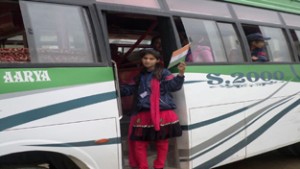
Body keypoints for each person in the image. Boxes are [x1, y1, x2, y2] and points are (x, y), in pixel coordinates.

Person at [121, 49, 185, 169]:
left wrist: (180, 74)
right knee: (139, 143)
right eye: (145, 58)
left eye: (151, 59)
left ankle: (159, 166)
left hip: (161, 113)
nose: (147, 61)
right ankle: (143, 166)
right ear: (142, 60)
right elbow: (131, 89)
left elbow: (174, 86)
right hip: (143, 113)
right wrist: (116, 89)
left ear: (157, 60)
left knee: (161, 142)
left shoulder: (164, 73)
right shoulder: (139, 76)